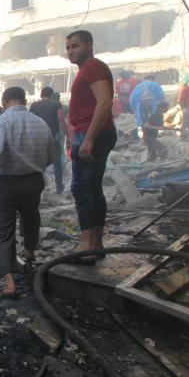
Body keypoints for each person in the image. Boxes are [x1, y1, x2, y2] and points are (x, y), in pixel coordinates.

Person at [0, 87, 53, 298]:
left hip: (6, 185)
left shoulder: (1, 122)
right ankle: (29, 251)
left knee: (2, 231)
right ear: (25, 100)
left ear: (4, 102)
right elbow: (49, 158)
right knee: (31, 216)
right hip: (33, 182)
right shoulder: (41, 123)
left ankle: (10, 283)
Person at [66, 30, 117, 264]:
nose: (71, 51)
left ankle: (87, 245)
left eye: (75, 46)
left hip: (91, 133)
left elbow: (105, 102)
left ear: (89, 45)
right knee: (93, 188)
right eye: (68, 48)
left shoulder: (93, 67)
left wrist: (88, 139)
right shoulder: (86, 70)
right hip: (89, 132)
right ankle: (96, 243)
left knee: (82, 188)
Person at [30, 86, 67, 194]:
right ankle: (59, 187)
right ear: (51, 95)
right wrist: (68, 135)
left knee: (37, 163)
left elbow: (31, 121)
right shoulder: (56, 104)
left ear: (41, 95)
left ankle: (38, 188)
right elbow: (61, 120)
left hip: (38, 138)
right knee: (57, 163)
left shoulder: (34, 105)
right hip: (53, 136)